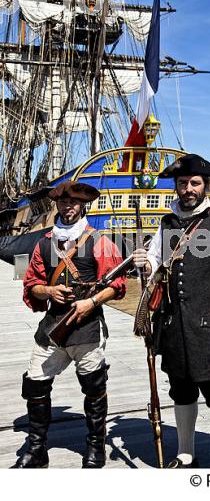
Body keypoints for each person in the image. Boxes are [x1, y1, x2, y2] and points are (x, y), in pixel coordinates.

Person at [13, 181, 126, 469]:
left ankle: (95, 446)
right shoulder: (44, 243)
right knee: (35, 382)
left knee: (93, 386)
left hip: (87, 327)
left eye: (73, 203)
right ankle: (37, 449)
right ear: (58, 206)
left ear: (82, 206)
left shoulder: (99, 242)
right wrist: (49, 292)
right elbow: (33, 284)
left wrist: (92, 302)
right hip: (54, 326)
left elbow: (117, 285)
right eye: (63, 203)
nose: (68, 207)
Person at [134, 153, 210, 468]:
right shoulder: (167, 222)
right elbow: (158, 262)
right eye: (183, 183)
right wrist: (144, 263)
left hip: (209, 325)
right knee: (181, 389)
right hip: (174, 324)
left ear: (205, 186)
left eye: (195, 183)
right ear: (176, 186)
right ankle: (185, 452)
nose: (188, 188)